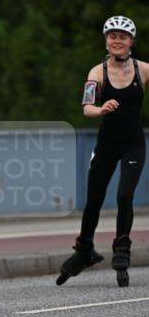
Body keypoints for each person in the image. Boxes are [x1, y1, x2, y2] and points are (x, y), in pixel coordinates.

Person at [57, 15, 148, 286]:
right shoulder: (98, 72)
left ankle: (122, 249)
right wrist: (101, 108)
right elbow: (87, 108)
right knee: (94, 201)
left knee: (124, 195)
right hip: (106, 144)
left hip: (133, 144)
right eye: (112, 36)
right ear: (106, 41)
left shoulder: (143, 69)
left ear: (131, 41)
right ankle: (84, 250)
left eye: (123, 37)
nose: (117, 41)